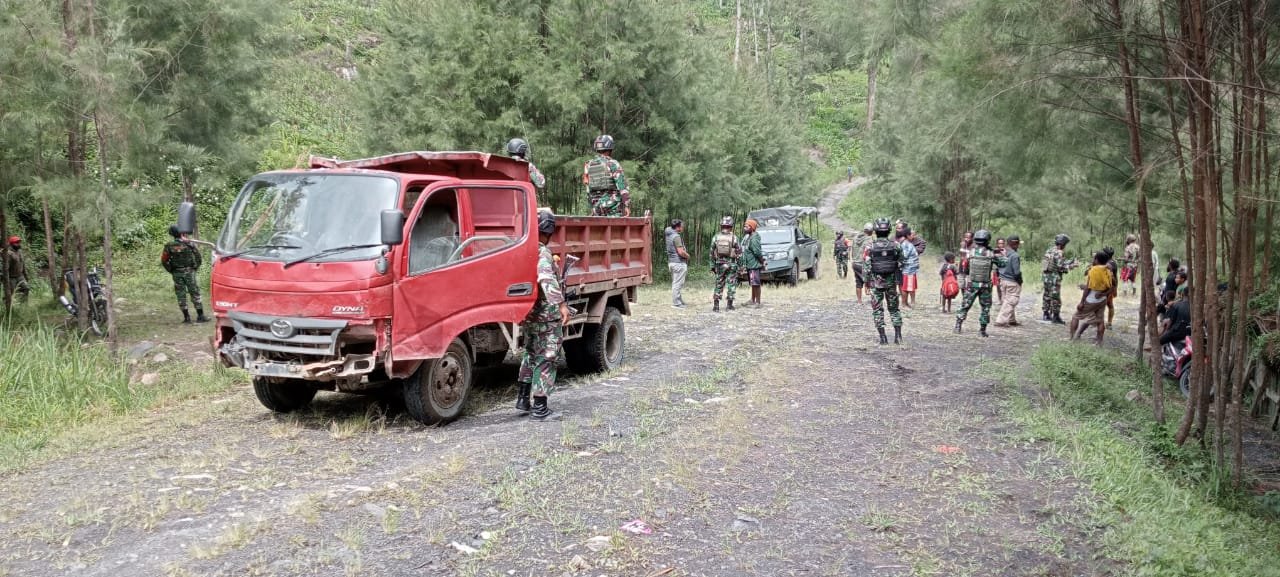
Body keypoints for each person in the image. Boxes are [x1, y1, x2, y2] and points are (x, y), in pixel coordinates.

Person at [515, 210, 572, 421]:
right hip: (546, 317)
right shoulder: (543, 253)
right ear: (548, 231)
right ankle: (540, 408)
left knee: (530, 355)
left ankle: (523, 400)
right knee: (547, 358)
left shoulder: (523, 249)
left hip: (529, 315)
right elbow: (546, 279)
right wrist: (561, 304)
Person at [955, 229, 1006, 337]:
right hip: (985, 286)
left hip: (971, 284)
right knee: (985, 308)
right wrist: (1003, 255)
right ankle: (982, 330)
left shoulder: (971, 252)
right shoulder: (991, 254)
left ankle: (958, 326)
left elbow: (965, 267)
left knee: (965, 305)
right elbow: (1003, 264)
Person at [864, 218, 906, 344]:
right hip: (891, 283)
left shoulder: (870, 247)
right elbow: (902, 262)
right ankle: (898, 337)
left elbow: (866, 267)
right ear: (889, 231)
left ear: (875, 231)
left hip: (875, 283)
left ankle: (883, 338)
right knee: (894, 309)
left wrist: (866, 282)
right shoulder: (896, 245)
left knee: (877, 310)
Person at [161, 225, 208, 324]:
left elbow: (164, 260)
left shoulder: (169, 246)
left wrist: (171, 270)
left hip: (177, 272)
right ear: (182, 233)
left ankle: (187, 318)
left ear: (172, 234)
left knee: (180, 294)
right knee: (195, 293)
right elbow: (198, 256)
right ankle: (200, 316)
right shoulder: (189, 244)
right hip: (190, 272)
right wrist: (195, 267)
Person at [1069, 251, 1114, 345]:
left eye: (1094, 258)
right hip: (1102, 300)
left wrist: (1082, 302)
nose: (1093, 260)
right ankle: (1099, 342)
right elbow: (1112, 287)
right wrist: (1103, 294)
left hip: (1091, 300)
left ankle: (1073, 338)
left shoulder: (1093, 270)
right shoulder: (1108, 270)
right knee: (1100, 320)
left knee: (1076, 316)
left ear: (1096, 260)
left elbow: (1088, 288)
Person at [582, 135, 630, 217]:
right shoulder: (612, 163)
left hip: (596, 207)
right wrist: (627, 205)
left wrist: (593, 208)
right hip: (612, 208)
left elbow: (588, 189)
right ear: (610, 148)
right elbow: (622, 187)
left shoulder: (588, 165)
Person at [709, 216, 741, 312]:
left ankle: (716, 306)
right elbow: (739, 253)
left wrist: (712, 266)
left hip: (719, 264)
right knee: (731, 284)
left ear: (721, 226)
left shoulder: (716, 237)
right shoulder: (734, 238)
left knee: (719, 284)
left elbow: (711, 253)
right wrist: (741, 266)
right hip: (732, 264)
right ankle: (729, 306)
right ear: (731, 226)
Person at [1041, 233, 1074, 324]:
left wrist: (1067, 262)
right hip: (1054, 278)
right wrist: (1071, 266)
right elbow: (1061, 267)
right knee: (1055, 297)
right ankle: (1056, 316)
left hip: (1046, 277)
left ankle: (1046, 314)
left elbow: (1049, 263)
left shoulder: (1049, 250)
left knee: (1046, 295)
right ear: (1063, 243)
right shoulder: (1059, 252)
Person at [993, 235, 1024, 327]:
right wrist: (1020, 281)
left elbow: (998, 267)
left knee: (1006, 300)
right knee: (1011, 301)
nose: (1018, 245)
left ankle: (1011, 320)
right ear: (1014, 244)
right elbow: (1016, 272)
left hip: (1003, 280)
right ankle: (1001, 321)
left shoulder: (1002, 253)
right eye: (1018, 244)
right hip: (1012, 281)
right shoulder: (1015, 255)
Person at [739, 219, 764, 308]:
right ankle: (752, 300)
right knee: (753, 283)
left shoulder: (754, 238)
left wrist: (762, 262)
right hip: (750, 264)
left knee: (756, 283)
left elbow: (757, 252)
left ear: (752, 228)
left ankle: (758, 302)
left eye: (747, 226)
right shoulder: (748, 237)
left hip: (754, 264)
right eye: (744, 226)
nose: (744, 228)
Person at [665, 219, 689, 308]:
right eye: (682, 226)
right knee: (677, 284)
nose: (683, 228)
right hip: (678, 263)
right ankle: (677, 303)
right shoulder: (676, 237)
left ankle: (679, 300)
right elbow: (681, 252)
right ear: (677, 227)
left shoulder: (669, 233)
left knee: (676, 283)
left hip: (672, 262)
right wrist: (688, 256)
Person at [896, 228, 920, 309]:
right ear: (907, 235)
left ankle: (906, 303)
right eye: (912, 235)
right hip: (908, 269)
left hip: (911, 269)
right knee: (906, 287)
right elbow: (904, 256)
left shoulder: (908, 243)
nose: (914, 236)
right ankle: (904, 304)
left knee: (909, 287)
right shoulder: (906, 244)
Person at [3, 235, 30, 303]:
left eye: (19, 242)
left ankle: (23, 304)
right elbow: (6, 268)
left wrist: (25, 275)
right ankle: (6, 305)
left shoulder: (19, 251)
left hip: (20, 276)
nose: (19, 244)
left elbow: (23, 264)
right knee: (10, 293)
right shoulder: (8, 253)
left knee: (26, 288)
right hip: (11, 277)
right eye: (16, 242)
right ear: (12, 244)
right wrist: (6, 279)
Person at [852, 223, 873, 304]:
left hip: (855, 263)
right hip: (864, 263)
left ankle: (859, 301)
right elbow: (870, 253)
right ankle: (873, 300)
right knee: (871, 281)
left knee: (858, 282)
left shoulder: (855, 238)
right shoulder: (869, 239)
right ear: (870, 231)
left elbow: (852, 250)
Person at [1102, 246, 1120, 328]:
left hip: (1110, 287)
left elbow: (1110, 275)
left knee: (1108, 304)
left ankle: (1108, 323)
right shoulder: (1110, 262)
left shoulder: (1110, 263)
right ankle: (1106, 322)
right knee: (1108, 304)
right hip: (1110, 286)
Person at [993, 237, 1007, 304]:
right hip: (996, 271)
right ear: (997, 244)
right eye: (999, 243)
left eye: (1002, 243)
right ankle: (999, 299)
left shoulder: (1007, 251)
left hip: (1004, 271)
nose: (1001, 245)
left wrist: (1004, 254)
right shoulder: (995, 251)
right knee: (998, 286)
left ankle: (1004, 300)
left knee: (1004, 286)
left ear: (1004, 244)